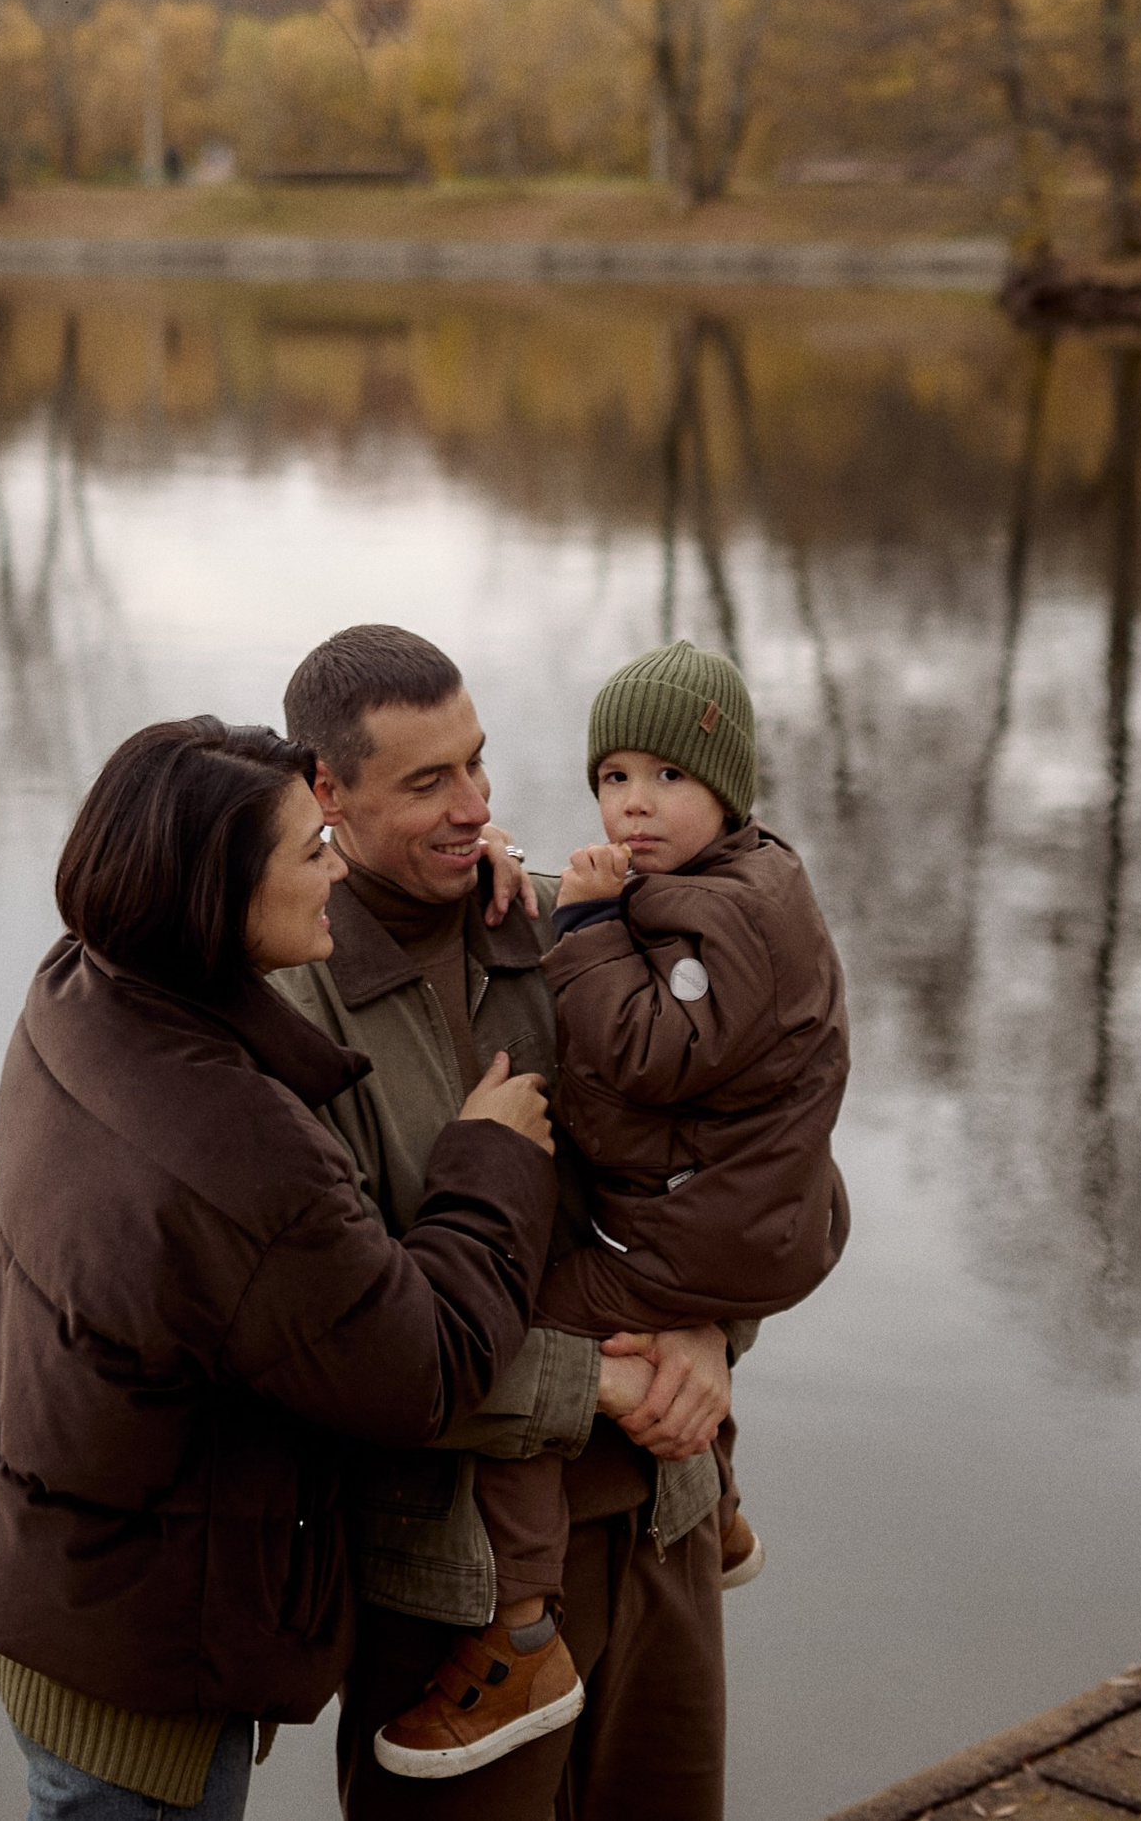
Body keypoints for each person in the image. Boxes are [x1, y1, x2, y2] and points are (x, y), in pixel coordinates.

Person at [0, 714, 647, 1821]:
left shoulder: (85, 989)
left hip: (62, 1571)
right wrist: (491, 1157)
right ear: (215, 898)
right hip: (151, 1651)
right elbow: (423, 1366)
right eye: (311, 852)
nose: (334, 868)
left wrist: (471, 862)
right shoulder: (232, 1155)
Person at [267, 623, 741, 1821]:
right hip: (453, 1584)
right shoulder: (284, 1011)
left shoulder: (578, 919)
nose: (473, 805)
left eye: (477, 763)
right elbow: (344, 1345)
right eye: (427, 782)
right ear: (325, 789)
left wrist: (714, 1328)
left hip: (665, 1516)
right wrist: (600, 1382)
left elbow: (771, 1158)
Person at [371, 640, 849, 1780]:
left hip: (696, 1282)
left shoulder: (693, 916)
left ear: (727, 788)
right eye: (613, 777)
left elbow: (657, 1055)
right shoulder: (740, 884)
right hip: (740, 1231)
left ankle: (524, 1626)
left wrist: (582, 929)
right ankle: (684, 1516)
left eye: (666, 779)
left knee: (528, 1312)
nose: (633, 804)